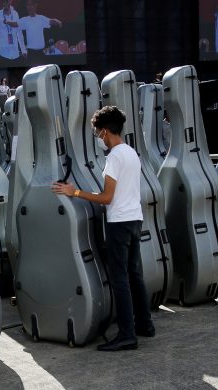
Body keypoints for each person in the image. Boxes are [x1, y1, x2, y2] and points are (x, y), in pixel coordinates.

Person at [51, 106, 153, 351]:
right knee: (134, 275)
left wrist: (74, 192)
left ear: (105, 131)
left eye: (98, 133)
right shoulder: (131, 153)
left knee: (119, 279)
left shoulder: (114, 157)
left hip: (119, 222)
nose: (99, 138)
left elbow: (107, 197)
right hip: (135, 219)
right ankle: (145, 324)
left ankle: (127, 334)